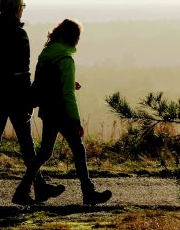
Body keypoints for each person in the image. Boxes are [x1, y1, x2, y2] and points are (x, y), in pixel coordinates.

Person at [0, 0, 65, 206]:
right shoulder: (18, 34)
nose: (23, 9)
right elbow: (23, 71)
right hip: (15, 94)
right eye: (22, 6)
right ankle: (35, 187)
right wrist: (29, 97)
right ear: (16, 9)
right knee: (26, 142)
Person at [13, 19, 112, 206]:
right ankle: (88, 192)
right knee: (78, 149)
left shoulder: (46, 54)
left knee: (44, 152)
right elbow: (68, 96)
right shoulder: (66, 60)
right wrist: (76, 121)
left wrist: (68, 83)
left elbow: (44, 83)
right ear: (73, 37)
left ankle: (22, 190)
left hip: (48, 109)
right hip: (62, 112)